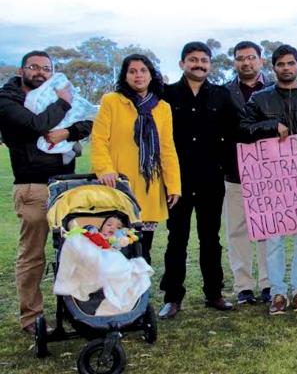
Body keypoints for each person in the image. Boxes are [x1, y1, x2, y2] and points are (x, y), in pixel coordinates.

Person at [0, 50, 93, 334]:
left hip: (66, 184)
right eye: (34, 67)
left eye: (46, 68)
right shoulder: (7, 100)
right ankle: (32, 317)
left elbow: (88, 121)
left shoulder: (55, 95)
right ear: (21, 70)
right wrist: (63, 104)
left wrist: (67, 133)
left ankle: (80, 310)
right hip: (34, 185)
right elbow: (34, 125)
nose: (40, 72)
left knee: (76, 249)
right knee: (33, 255)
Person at [158, 42, 239, 319]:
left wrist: (227, 168)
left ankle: (214, 293)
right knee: (176, 238)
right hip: (176, 181)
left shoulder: (221, 96)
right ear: (182, 64)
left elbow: (232, 134)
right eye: (193, 60)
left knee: (210, 238)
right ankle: (172, 297)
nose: (199, 65)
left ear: (210, 65)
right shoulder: (165, 95)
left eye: (204, 60)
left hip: (210, 178)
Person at [240, 44, 297, 315]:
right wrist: (271, 126)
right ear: (274, 68)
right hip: (271, 179)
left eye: (291, 63)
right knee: (273, 239)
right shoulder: (260, 99)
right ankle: (277, 293)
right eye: (281, 64)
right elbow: (243, 129)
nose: (286, 68)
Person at [92, 54, 181, 264]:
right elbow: (99, 139)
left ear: (151, 75)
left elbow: (167, 148)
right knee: (116, 244)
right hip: (117, 184)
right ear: (125, 76)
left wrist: (173, 185)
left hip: (149, 186)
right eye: (132, 71)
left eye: (143, 70)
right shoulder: (112, 101)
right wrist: (104, 168)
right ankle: (114, 294)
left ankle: (140, 294)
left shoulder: (162, 108)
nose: (138, 75)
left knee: (143, 247)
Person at [223, 41, 272, 306]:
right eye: (240, 58)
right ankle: (243, 286)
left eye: (251, 57)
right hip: (234, 171)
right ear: (235, 62)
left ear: (260, 61)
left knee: (266, 228)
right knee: (237, 230)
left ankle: (267, 283)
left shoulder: (274, 90)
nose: (246, 62)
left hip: (268, 171)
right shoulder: (224, 93)